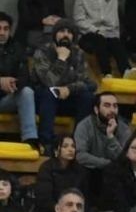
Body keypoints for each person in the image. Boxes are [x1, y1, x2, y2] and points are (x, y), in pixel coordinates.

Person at [32, 19, 96, 153]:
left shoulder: (78, 54)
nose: (65, 35)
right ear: (55, 34)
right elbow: (49, 82)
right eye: (61, 31)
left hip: (68, 97)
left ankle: (78, 142)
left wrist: (68, 89)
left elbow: (87, 82)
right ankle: (47, 143)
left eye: (69, 32)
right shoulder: (42, 51)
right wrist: (61, 60)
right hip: (44, 101)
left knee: (87, 96)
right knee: (50, 92)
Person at [74, 92, 131, 182]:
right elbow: (80, 155)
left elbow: (124, 160)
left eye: (115, 106)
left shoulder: (124, 129)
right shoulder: (84, 126)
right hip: (91, 173)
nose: (112, 110)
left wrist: (111, 137)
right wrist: (108, 164)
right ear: (96, 110)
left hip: (114, 175)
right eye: (107, 105)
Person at [0, 12, 38, 148]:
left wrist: (12, 83)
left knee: (27, 92)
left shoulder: (17, 48)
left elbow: (25, 78)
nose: (2, 33)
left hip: (7, 99)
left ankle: (30, 140)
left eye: (6, 29)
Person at [34, 135, 91, 212]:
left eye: (73, 146)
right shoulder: (47, 168)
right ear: (56, 150)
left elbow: (86, 197)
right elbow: (44, 199)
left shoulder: (80, 170)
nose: (70, 149)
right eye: (65, 146)